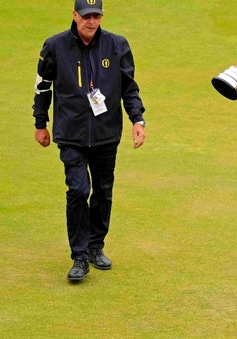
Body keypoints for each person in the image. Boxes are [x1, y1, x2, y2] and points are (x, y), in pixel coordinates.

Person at [31, 0, 146, 282]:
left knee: (103, 191)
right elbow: (42, 86)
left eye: (96, 16)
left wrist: (137, 120)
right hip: (71, 135)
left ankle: (96, 247)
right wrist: (40, 123)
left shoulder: (117, 45)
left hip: (107, 134)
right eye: (86, 16)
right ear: (74, 15)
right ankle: (79, 256)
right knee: (78, 190)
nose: (91, 21)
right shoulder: (54, 46)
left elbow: (129, 88)